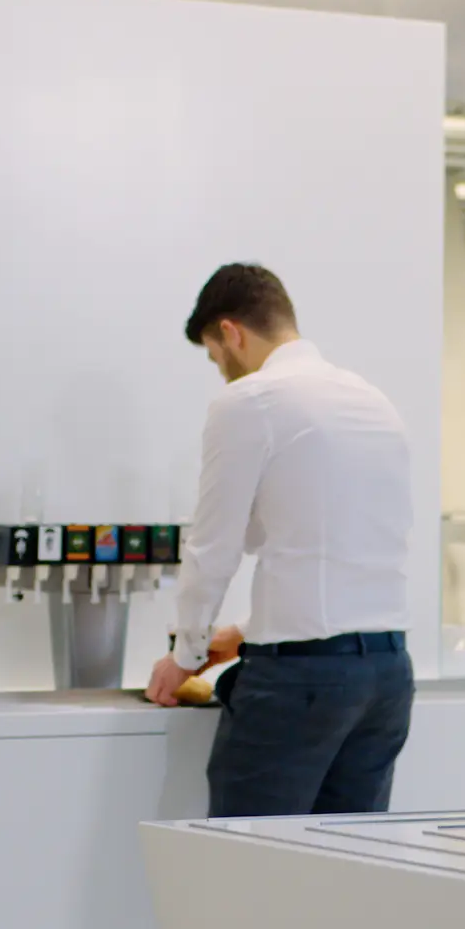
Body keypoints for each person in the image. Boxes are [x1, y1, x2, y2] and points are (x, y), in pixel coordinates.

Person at [146, 263, 414, 818]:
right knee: (346, 875)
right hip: (386, 680)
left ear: (231, 333)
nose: (222, 371)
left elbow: (212, 547)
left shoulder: (250, 402)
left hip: (302, 683)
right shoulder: (373, 402)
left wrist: (186, 654)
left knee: (250, 875)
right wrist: (241, 635)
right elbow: (347, 547)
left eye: (215, 357)